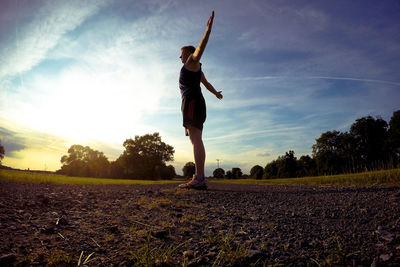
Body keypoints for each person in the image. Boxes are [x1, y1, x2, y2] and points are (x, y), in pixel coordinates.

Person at [178, 11, 223, 190]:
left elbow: (200, 49)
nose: (180, 58)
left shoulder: (191, 61)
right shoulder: (197, 70)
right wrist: (215, 93)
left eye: (181, 54)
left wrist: (207, 31)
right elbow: (207, 83)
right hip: (196, 101)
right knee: (196, 138)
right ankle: (199, 176)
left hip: (192, 101)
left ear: (188, 53)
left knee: (196, 138)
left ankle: (200, 178)